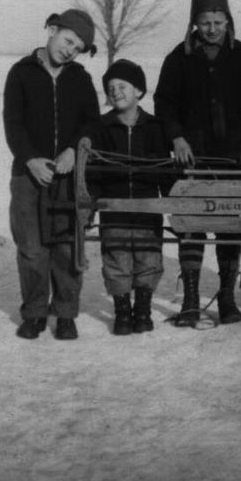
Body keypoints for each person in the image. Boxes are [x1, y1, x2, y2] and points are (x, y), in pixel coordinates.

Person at [154, 0, 241, 326]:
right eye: (205, 22)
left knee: (229, 227)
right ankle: (190, 299)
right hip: (192, 159)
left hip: (234, 159)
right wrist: (176, 138)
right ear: (194, 23)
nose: (212, 29)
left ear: (228, 21)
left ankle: (227, 298)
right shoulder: (179, 58)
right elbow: (164, 102)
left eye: (218, 21)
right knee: (192, 226)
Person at [3, 8, 100, 340]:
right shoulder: (21, 73)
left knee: (66, 247)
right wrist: (30, 159)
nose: (70, 49)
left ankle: (66, 313)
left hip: (68, 177)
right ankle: (33, 313)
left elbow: (91, 121)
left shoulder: (80, 79)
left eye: (77, 47)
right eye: (68, 40)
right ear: (53, 29)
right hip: (27, 175)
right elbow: (13, 123)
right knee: (31, 247)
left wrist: (74, 148)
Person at [86, 60, 170, 336]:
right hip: (115, 207)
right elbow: (93, 174)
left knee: (148, 257)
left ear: (139, 91)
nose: (116, 91)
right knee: (117, 258)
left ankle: (143, 309)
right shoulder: (101, 127)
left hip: (148, 207)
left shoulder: (154, 126)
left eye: (122, 86)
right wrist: (92, 205)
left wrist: (172, 200)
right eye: (111, 87)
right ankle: (123, 311)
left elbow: (164, 167)